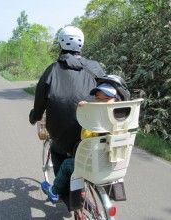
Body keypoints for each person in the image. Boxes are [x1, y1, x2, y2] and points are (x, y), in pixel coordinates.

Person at [29, 26, 106, 179]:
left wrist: (34, 117)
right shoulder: (96, 67)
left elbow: (39, 103)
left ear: (60, 45)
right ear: (81, 45)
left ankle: (63, 191)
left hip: (64, 136)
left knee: (58, 149)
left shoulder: (51, 70)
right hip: (95, 131)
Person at [41, 83, 118, 203]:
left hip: (93, 164)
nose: (100, 102)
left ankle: (54, 191)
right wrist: (89, 107)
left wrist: (87, 112)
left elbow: (85, 136)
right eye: (97, 98)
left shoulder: (99, 120)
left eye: (106, 99)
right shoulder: (120, 119)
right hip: (112, 164)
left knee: (67, 164)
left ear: (115, 100)